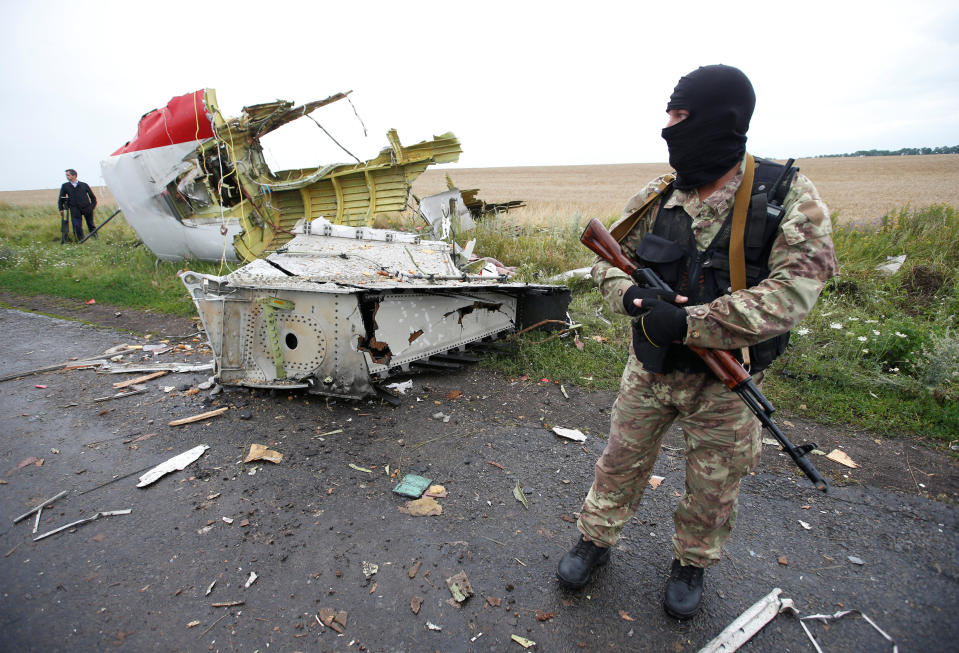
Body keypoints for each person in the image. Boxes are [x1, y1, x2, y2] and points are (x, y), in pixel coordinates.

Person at [556, 65, 839, 619]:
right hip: (650, 369)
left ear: (722, 120)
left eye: (681, 116)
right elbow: (608, 261)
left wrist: (691, 324)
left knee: (713, 486)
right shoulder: (661, 193)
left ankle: (692, 563)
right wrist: (632, 299)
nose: (668, 128)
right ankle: (595, 540)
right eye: (669, 114)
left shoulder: (784, 194)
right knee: (618, 464)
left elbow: (796, 291)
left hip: (725, 381)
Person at [58, 169, 97, 241]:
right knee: (77, 226)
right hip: (74, 208)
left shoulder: (84, 185)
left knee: (91, 225)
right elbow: (61, 198)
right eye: (66, 175)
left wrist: (91, 207)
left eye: (68, 175)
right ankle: (81, 240)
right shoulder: (65, 186)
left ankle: (95, 239)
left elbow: (93, 197)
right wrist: (61, 208)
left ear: (74, 175)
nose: (67, 177)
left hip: (86, 208)